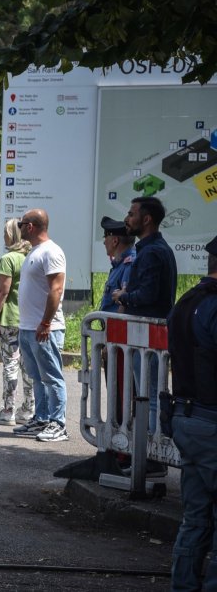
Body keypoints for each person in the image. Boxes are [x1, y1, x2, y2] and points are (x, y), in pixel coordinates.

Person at [165, 235, 217, 590]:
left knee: (195, 518)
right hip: (211, 421)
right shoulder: (213, 307)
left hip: (186, 418)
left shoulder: (187, 301)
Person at [114, 196, 177, 473]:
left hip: (149, 336)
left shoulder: (152, 252)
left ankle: (153, 459)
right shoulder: (154, 249)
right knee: (148, 395)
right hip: (149, 336)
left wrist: (124, 296)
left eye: (131, 214)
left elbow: (149, 295)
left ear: (146, 219)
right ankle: (150, 457)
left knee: (148, 397)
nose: (127, 219)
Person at [12, 209, 69, 442]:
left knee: (52, 377)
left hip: (46, 328)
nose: (19, 228)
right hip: (28, 327)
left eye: (21, 224)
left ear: (31, 227)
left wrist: (45, 322)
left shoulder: (51, 251)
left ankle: (58, 424)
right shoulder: (35, 251)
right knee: (37, 377)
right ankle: (43, 418)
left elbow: (56, 289)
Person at [0, 218, 35, 425]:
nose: (4, 237)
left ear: (12, 235)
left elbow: (2, 291)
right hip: (28, 318)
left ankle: (8, 410)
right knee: (28, 366)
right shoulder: (32, 256)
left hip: (9, 318)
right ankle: (28, 408)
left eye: (5, 233)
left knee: (10, 364)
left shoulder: (9, 259)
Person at [99, 216, 136, 313]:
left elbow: (124, 306)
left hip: (116, 326)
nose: (104, 242)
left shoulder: (130, 264)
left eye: (105, 237)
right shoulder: (120, 264)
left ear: (115, 241)